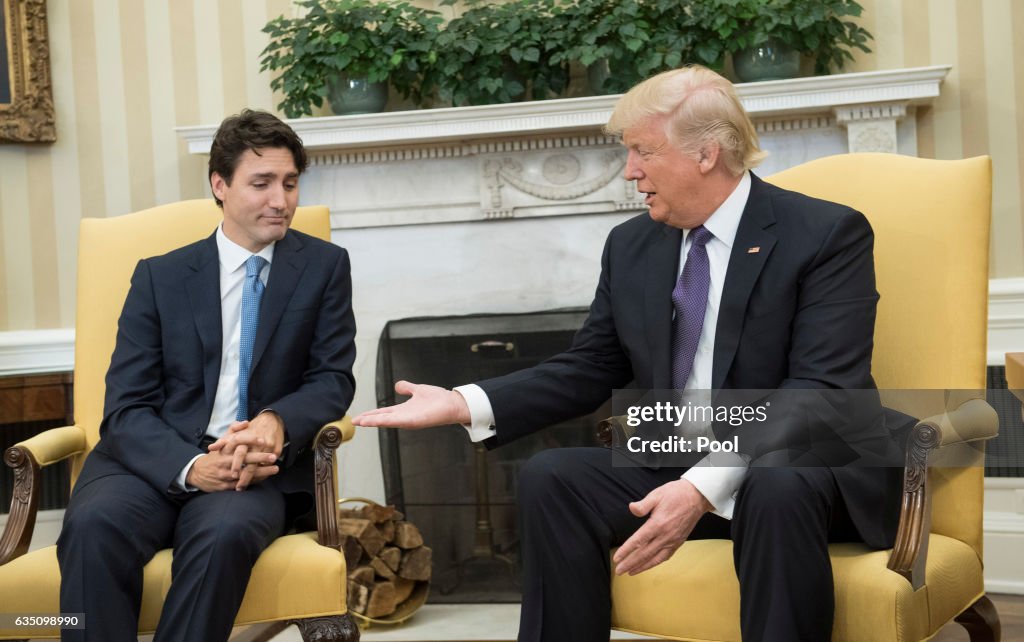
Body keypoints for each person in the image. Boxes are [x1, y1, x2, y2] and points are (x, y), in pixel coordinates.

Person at [354, 65, 902, 642]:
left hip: (803, 468)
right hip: (677, 453)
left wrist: (700, 488)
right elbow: (592, 365)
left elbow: (819, 392)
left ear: (706, 154)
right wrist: (466, 402)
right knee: (553, 477)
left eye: (643, 151)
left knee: (773, 481)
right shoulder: (633, 245)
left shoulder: (825, 233)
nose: (630, 171)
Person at [56, 109, 356, 642]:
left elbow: (333, 379)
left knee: (223, 535)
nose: (281, 200)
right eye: (261, 183)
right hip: (148, 464)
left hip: (253, 470)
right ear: (219, 185)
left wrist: (276, 421)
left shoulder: (325, 267)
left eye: (290, 184)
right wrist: (190, 466)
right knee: (93, 525)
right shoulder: (160, 276)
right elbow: (125, 407)